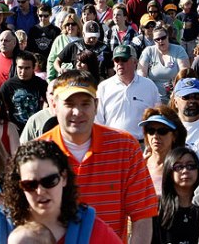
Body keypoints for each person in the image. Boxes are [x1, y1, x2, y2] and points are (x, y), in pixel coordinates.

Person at [38, 70, 157, 242]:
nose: (77, 112)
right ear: (54, 106)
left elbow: (143, 215)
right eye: (69, 104)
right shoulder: (38, 152)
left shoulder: (125, 147)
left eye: (85, 104)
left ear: (96, 105)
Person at [0, 140, 120, 244]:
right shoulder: (0, 228)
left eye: (49, 181)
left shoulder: (91, 230)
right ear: (20, 186)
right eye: (30, 184)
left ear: (63, 178)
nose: (40, 191)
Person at [95, 45, 162, 141]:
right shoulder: (104, 87)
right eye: (117, 60)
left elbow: (157, 117)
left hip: (141, 144)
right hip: (113, 143)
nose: (120, 63)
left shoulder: (149, 86)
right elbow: (98, 120)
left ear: (135, 62)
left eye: (124, 59)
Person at [152, 146, 199, 244]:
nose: (185, 171)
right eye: (178, 167)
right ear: (169, 171)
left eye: (191, 166)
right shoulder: (157, 208)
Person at [139, 106, 187, 195]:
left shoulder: (184, 166)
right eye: (151, 131)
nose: (155, 136)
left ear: (174, 136)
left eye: (162, 131)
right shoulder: (138, 165)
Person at [138, 24, 190, 103]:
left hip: (176, 96)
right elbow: (141, 74)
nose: (160, 41)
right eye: (157, 39)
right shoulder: (148, 51)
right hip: (154, 98)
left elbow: (185, 73)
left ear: (168, 36)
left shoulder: (179, 50)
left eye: (163, 38)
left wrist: (177, 91)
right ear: (153, 41)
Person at [0, 51, 48, 129]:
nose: (23, 72)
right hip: (15, 128)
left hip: (35, 127)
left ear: (33, 67)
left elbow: (51, 101)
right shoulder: (8, 85)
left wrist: (43, 117)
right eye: (20, 67)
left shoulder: (40, 83)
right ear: (16, 66)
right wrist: (8, 122)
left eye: (27, 68)